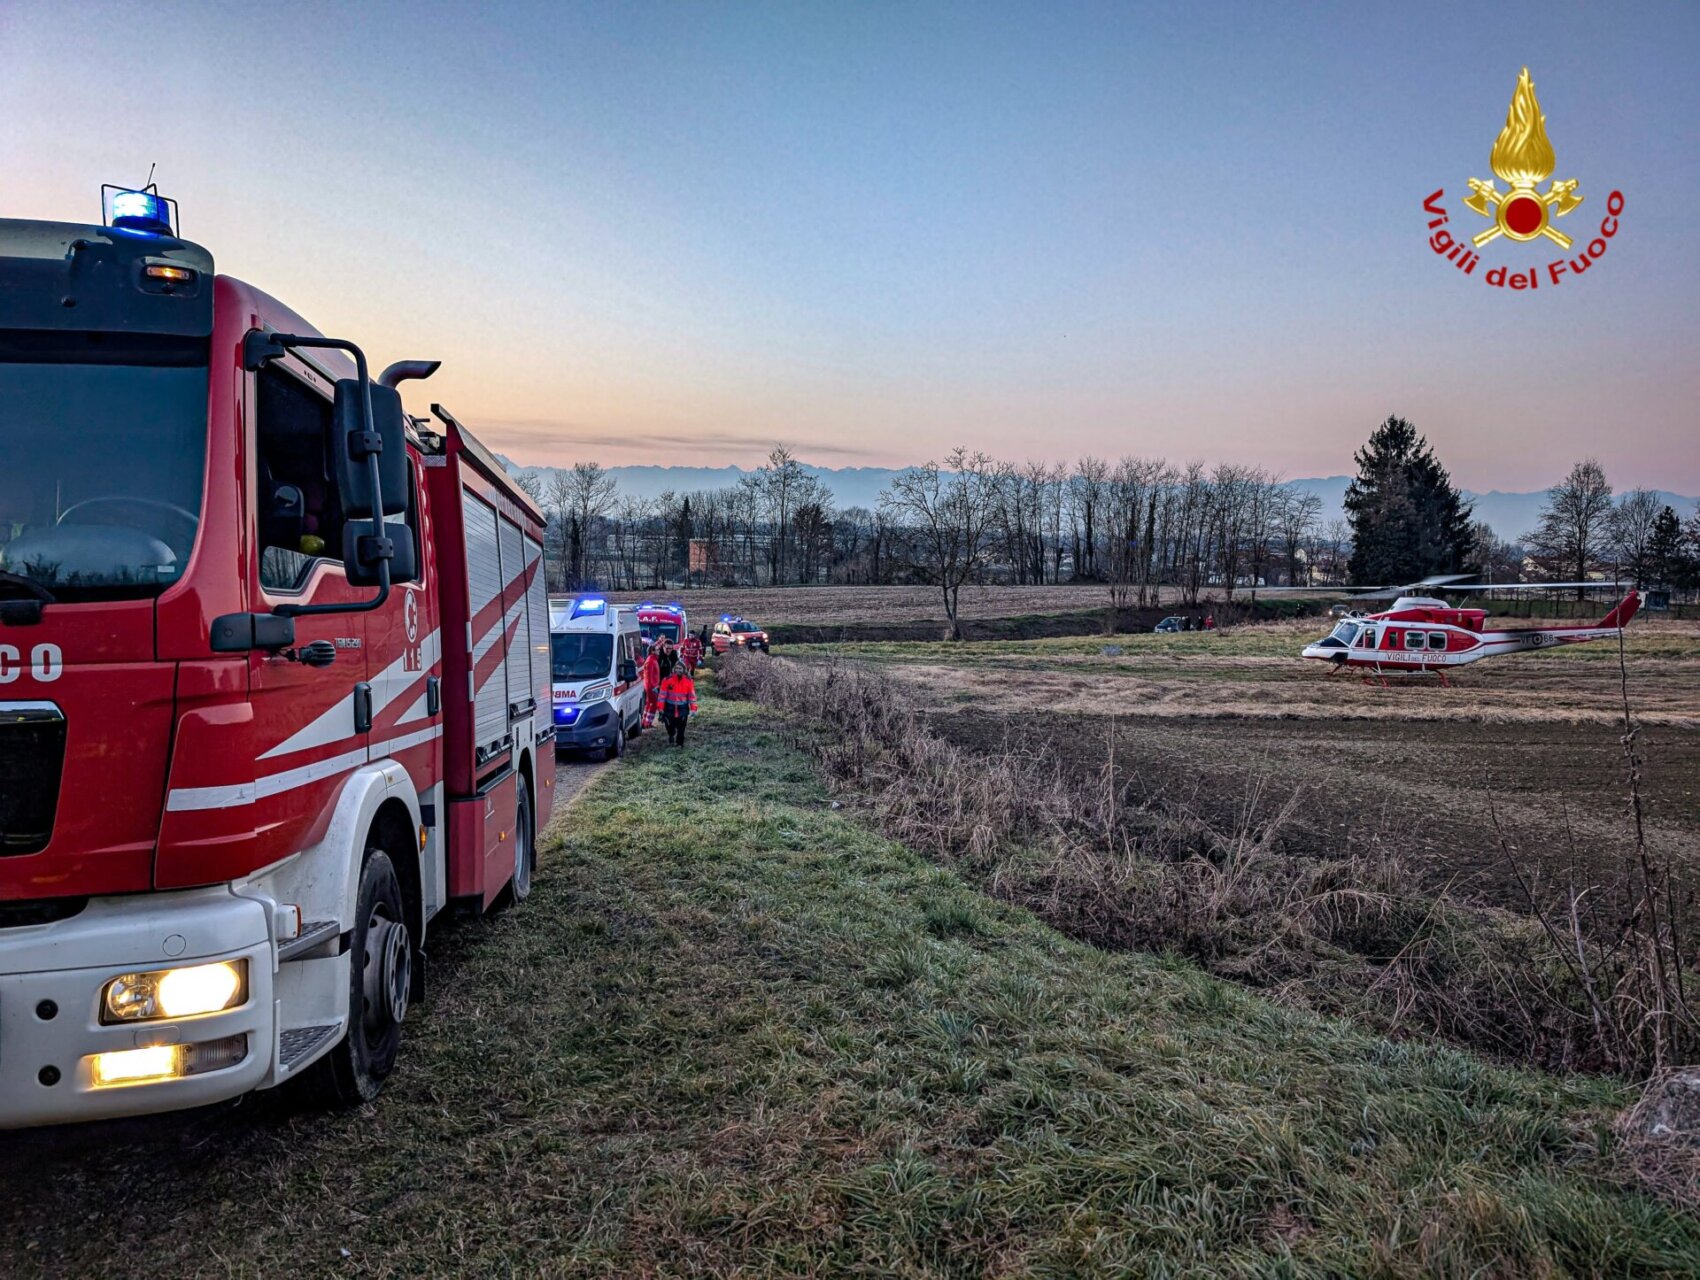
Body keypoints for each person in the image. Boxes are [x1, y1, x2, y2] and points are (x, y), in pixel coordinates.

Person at [659, 661, 698, 746]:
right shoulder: (667, 680)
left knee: (682, 727)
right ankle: (671, 735)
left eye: (680, 668)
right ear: (674, 669)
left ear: (684, 670)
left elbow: (692, 696)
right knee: (670, 726)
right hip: (670, 707)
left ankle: (680, 743)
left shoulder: (688, 681)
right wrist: (661, 708)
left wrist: (693, 709)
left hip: (682, 708)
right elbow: (662, 695)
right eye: (676, 668)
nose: (678, 670)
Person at [640, 645, 662, 730]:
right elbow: (649, 676)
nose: (659, 651)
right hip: (651, 687)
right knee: (653, 704)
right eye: (657, 650)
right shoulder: (651, 661)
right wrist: (653, 687)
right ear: (652, 651)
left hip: (651, 686)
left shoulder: (653, 659)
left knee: (649, 703)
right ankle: (648, 723)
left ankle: (644, 722)